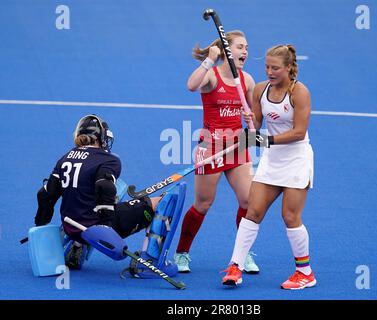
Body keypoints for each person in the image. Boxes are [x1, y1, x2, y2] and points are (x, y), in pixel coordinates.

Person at [221, 44, 317, 289]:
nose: (270, 72)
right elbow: (256, 127)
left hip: (296, 160)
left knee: (290, 216)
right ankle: (235, 266)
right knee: (253, 212)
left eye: (275, 68)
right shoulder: (261, 90)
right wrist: (250, 125)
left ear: (288, 68)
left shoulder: (300, 92)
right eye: (266, 67)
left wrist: (265, 139)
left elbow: (298, 132)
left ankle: (305, 272)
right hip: (272, 160)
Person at [173, 30, 259, 273]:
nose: (246, 51)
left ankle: (243, 255)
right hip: (210, 146)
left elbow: (255, 121)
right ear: (227, 51)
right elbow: (191, 86)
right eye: (241, 47)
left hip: (237, 145)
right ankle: (182, 253)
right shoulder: (211, 76)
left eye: (247, 47)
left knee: (248, 201)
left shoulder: (247, 81)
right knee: (203, 204)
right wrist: (209, 59)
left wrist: (251, 119)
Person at [33, 114, 161, 269]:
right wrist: (106, 228)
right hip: (97, 231)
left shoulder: (64, 158)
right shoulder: (108, 160)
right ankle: (149, 261)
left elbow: (45, 195)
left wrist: (41, 227)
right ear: (99, 137)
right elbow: (104, 187)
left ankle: (77, 245)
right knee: (162, 201)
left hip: (71, 228)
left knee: (88, 194)